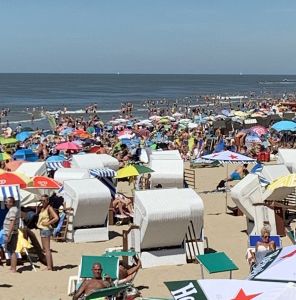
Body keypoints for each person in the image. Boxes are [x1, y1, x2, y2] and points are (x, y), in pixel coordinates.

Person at [37, 194, 59, 271]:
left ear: (47, 201)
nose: (42, 202)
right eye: (41, 200)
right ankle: (50, 265)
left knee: (47, 249)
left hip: (45, 229)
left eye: (44, 200)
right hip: (42, 229)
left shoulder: (49, 208)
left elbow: (56, 218)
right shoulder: (43, 208)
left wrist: (48, 223)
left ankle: (49, 267)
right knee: (45, 249)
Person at [3, 196, 20, 273]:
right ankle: (12, 267)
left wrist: (8, 234)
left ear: (11, 203)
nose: (6, 203)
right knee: (10, 250)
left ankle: (13, 269)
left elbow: (12, 223)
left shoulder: (13, 210)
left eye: (7, 201)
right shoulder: (13, 209)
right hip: (12, 233)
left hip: (12, 233)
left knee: (12, 251)